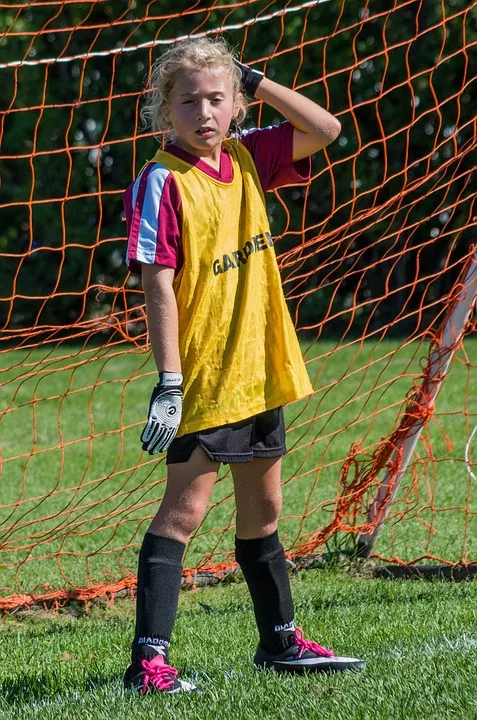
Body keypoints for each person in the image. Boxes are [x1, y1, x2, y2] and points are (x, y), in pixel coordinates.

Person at [123, 36, 365, 694]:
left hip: (259, 367)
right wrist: (169, 382)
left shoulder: (248, 154)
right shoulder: (161, 180)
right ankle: (148, 662)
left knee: (264, 510)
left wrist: (250, 78)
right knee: (185, 511)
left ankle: (280, 642)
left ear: (234, 105)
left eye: (216, 98)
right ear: (161, 111)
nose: (203, 112)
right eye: (187, 101)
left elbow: (325, 127)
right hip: (204, 375)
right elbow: (157, 285)